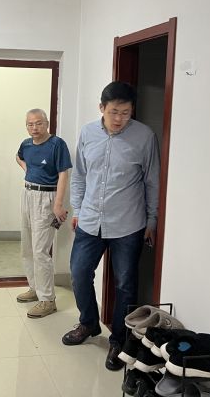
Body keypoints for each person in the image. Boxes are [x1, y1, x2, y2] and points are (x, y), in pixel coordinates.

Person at [61, 82, 160, 371]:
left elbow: (152, 181)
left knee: (125, 284)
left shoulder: (144, 137)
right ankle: (89, 323)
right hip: (90, 220)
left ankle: (119, 340)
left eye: (126, 113)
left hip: (128, 224)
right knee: (79, 274)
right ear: (102, 108)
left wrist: (152, 220)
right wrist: (79, 209)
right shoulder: (87, 133)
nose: (119, 118)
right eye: (114, 112)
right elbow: (80, 175)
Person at [15, 109, 72, 318]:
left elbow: (63, 174)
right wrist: (28, 170)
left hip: (47, 197)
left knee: (40, 251)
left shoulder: (57, 144)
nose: (34, 128)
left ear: (47, 124)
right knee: (27, 247)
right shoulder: (26, 144)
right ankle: (35, 287)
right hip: (27, 194)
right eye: (30, 124)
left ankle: (47, 300)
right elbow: (18, 157)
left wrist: (58, 204)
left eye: (39, 123)